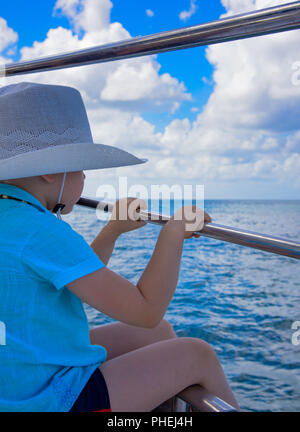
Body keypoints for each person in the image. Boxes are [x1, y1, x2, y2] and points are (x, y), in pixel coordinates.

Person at [0, 82, 239, 412]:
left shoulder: (13, 215)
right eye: (81, 168)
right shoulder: (40, 230)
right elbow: (145, 310)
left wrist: (113, 230)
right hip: (44, 400)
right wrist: (173, 230)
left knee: (161, 333)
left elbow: (74, 284)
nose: (85, 178)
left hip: (17, 378)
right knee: (196, 354)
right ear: (54, 172)